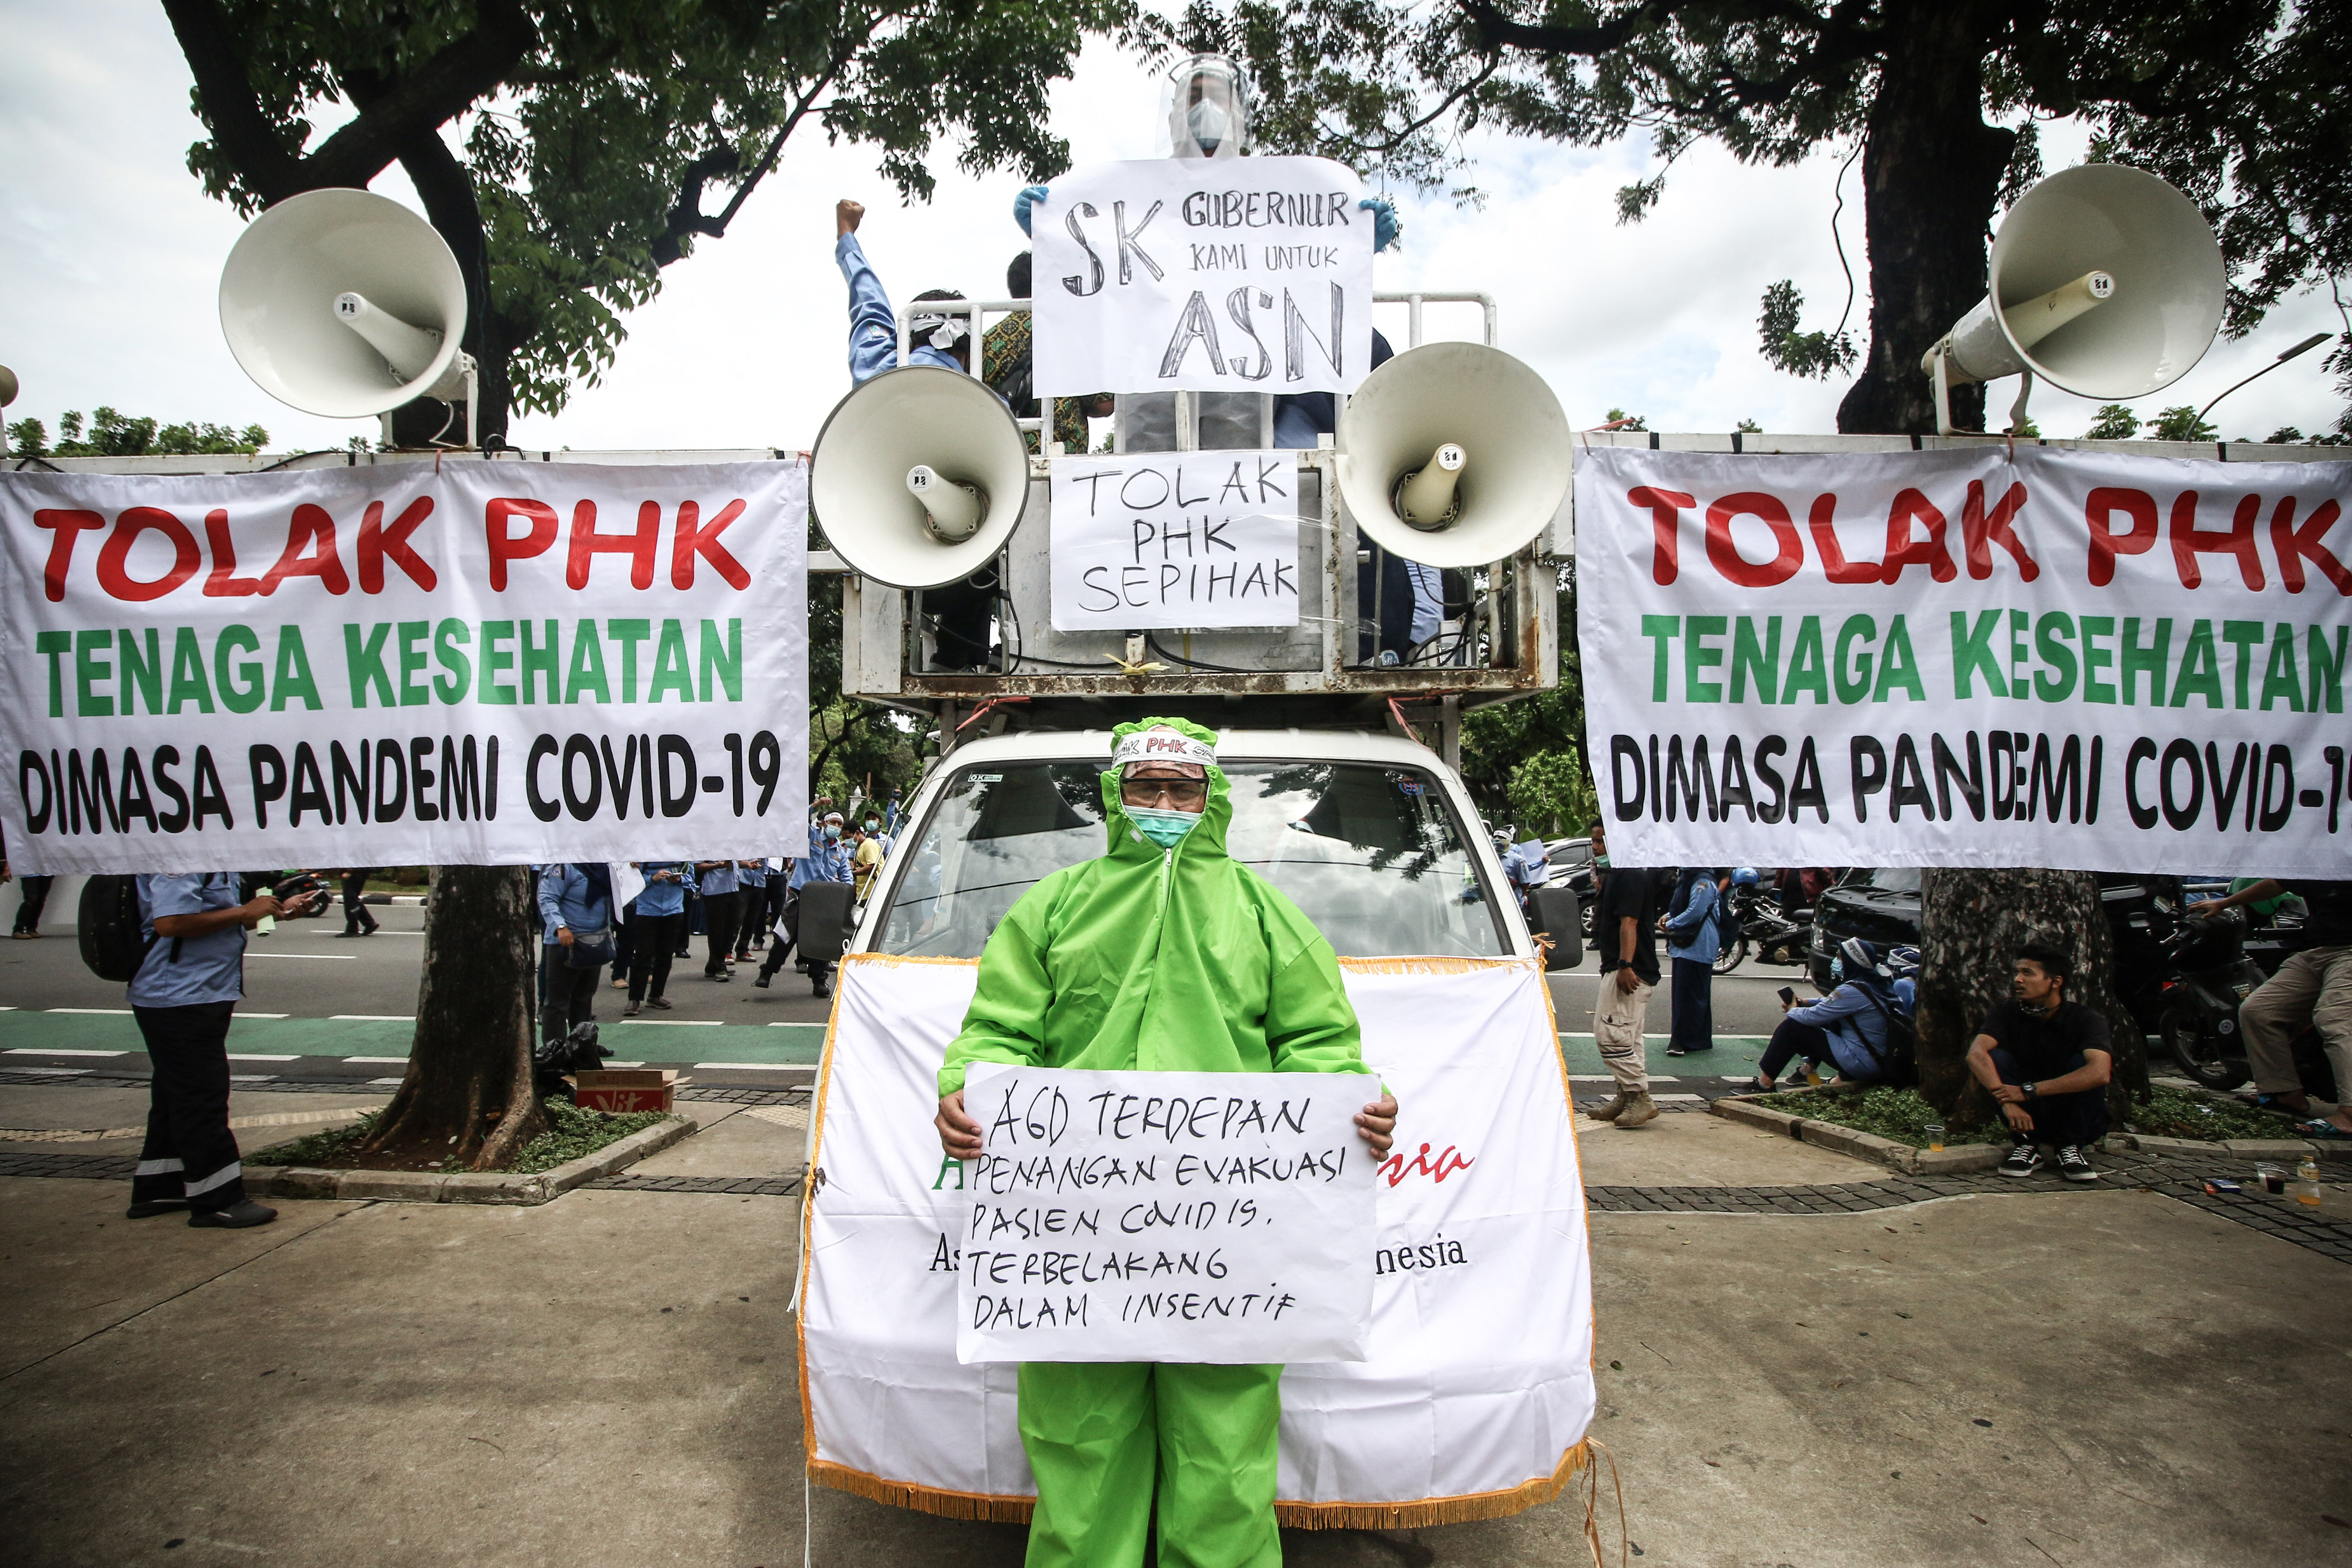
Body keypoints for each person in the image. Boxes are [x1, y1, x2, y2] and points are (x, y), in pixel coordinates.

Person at [933, 718, 1396, 1568]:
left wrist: (1352, 1105)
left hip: (1229, 1238)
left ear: (1212, 797)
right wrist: (966, 1086)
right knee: (1079, 1439)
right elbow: (999, 1029)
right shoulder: (1055, 904)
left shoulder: (1266, 915)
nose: (1163, 804)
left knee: (1223, 1451)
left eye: (1182, 788)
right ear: (1115, 794)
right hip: (1074, 1234)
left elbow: (1320, 1044)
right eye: (1144, 786)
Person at [127, 872, 320, 1227]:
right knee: (201, 1097)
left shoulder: (215, 858)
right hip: (178, 995)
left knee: (176, 1094)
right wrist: (242, 912)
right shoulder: (182, 857)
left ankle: (159, 1187)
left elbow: (217, 920)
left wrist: (275, 912)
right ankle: (217, 1200)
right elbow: (170, 923)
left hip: (201, 989)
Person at [2190, 878, 2352, 1137]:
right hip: (2316, 951)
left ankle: (2349, 1115)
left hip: (2349, 953)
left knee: (2334, 1019)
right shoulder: (2320, 858)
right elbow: (2276, 884)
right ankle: (2285, 1092)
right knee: (2257, 1011)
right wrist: (2223, 903)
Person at [1966, 942, 2112, 1182]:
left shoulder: (2086, 1019)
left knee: (2084, 1065)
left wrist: (2030, 1092)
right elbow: (1976, 1054)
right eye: (2017, 973)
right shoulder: (2006, 1012)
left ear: (2056, 982)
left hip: (2076, 1116)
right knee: (1996, 1057)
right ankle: (2026, 1146)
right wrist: (2007, 1103)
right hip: (2023, 1115)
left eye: (2028, 974)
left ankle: (2070, 1148)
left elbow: (2100, 1073)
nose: (2018, 980)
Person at [985, 251, 1115, 454]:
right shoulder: (1072, 334)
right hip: (1063, 463)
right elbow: (1104, 405)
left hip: (1007, 463)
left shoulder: (988, 341)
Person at [1742, 938, 1897, 1092]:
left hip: (1863, 1063)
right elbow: (1832, 1004)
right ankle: (1807, 1072)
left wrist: (1792, 1010)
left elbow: (1813, 1016)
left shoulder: (1853, 991)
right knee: (1823, 1024)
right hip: (1879, 1060)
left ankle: (1764, 1085)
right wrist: (1807, 1002)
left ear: (1852, 962)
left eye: (1840, 957)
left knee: (1792, 1027)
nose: (1836, 961)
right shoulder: (1875, 984)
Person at [1587, 821, 1662, 1129]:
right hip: (1624, 966)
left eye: (1601, 842)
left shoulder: (1629, 876)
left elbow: (1629, 923)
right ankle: (1626, 1094)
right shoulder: (1618, 876)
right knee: (1629, 1037)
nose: (1596, 848)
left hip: (1630, 970)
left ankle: (1638, 1095)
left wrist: (1624, 965)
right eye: (1594, 842)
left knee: (1611, 1035)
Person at [758, 814, 854, 998]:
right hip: (800, 895)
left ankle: (819, 982)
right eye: (833, 822)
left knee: (819, 941)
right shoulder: (810, 838)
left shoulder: (840, 853)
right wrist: (815, 806)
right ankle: (767, 973)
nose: (835, 826)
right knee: (785, 936)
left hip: (823, 899)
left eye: (839, 824)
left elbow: (847, 877)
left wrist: (846, 893)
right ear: (824, 823)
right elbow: (799, 818)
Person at [537, 863, 614, 1052]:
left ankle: (583, 1045)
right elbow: (547, 897)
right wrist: (560, 926)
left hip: (595, 939)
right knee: (558, 1002)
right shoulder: (564, 867)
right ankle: (554, 1049)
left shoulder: (604, 867)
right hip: (566, 942)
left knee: (584, 996)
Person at [1659, 866, 1720, 1058]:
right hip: (1691, 944)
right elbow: (1685, 906)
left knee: (1688, 993)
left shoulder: (1703, 882)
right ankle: (1697, 1039)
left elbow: (1696, 911)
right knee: (1693, 993)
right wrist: (1669, 916)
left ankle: (1681, 1040)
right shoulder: (1690, 879)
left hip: (1696, 944)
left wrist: (1671, 924)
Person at [626, 862, 693, 1016]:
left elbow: (691, 878)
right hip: (647, 910)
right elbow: (632, 879)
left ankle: (656, 995)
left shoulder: (681, 853)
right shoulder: (646, 853)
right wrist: (652, 878)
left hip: (674, 909)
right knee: (643, 955)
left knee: (666, 955)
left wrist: (679, 880)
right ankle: (634, 999)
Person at [694, 857, 741, 981]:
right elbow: (697, 866)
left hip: (733, 888)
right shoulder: (708, 844)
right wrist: (716, 866)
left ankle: (712, 966)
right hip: (715, 890)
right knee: (717, 930)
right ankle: (720, 966)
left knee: (731, 928)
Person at [733, 856, 770, 962]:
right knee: (737, 919)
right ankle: (727, 952)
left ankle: (742, 950)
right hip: (743, 881)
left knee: (752, 920)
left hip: (760, 881)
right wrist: (747, 864)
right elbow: (734, 860)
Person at [334, 867, 379, 938]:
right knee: (353, 899)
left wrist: (350, 871)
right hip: (359, 872)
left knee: (350, 899)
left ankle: (353, 929)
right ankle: (369, 923)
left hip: (355, 873)